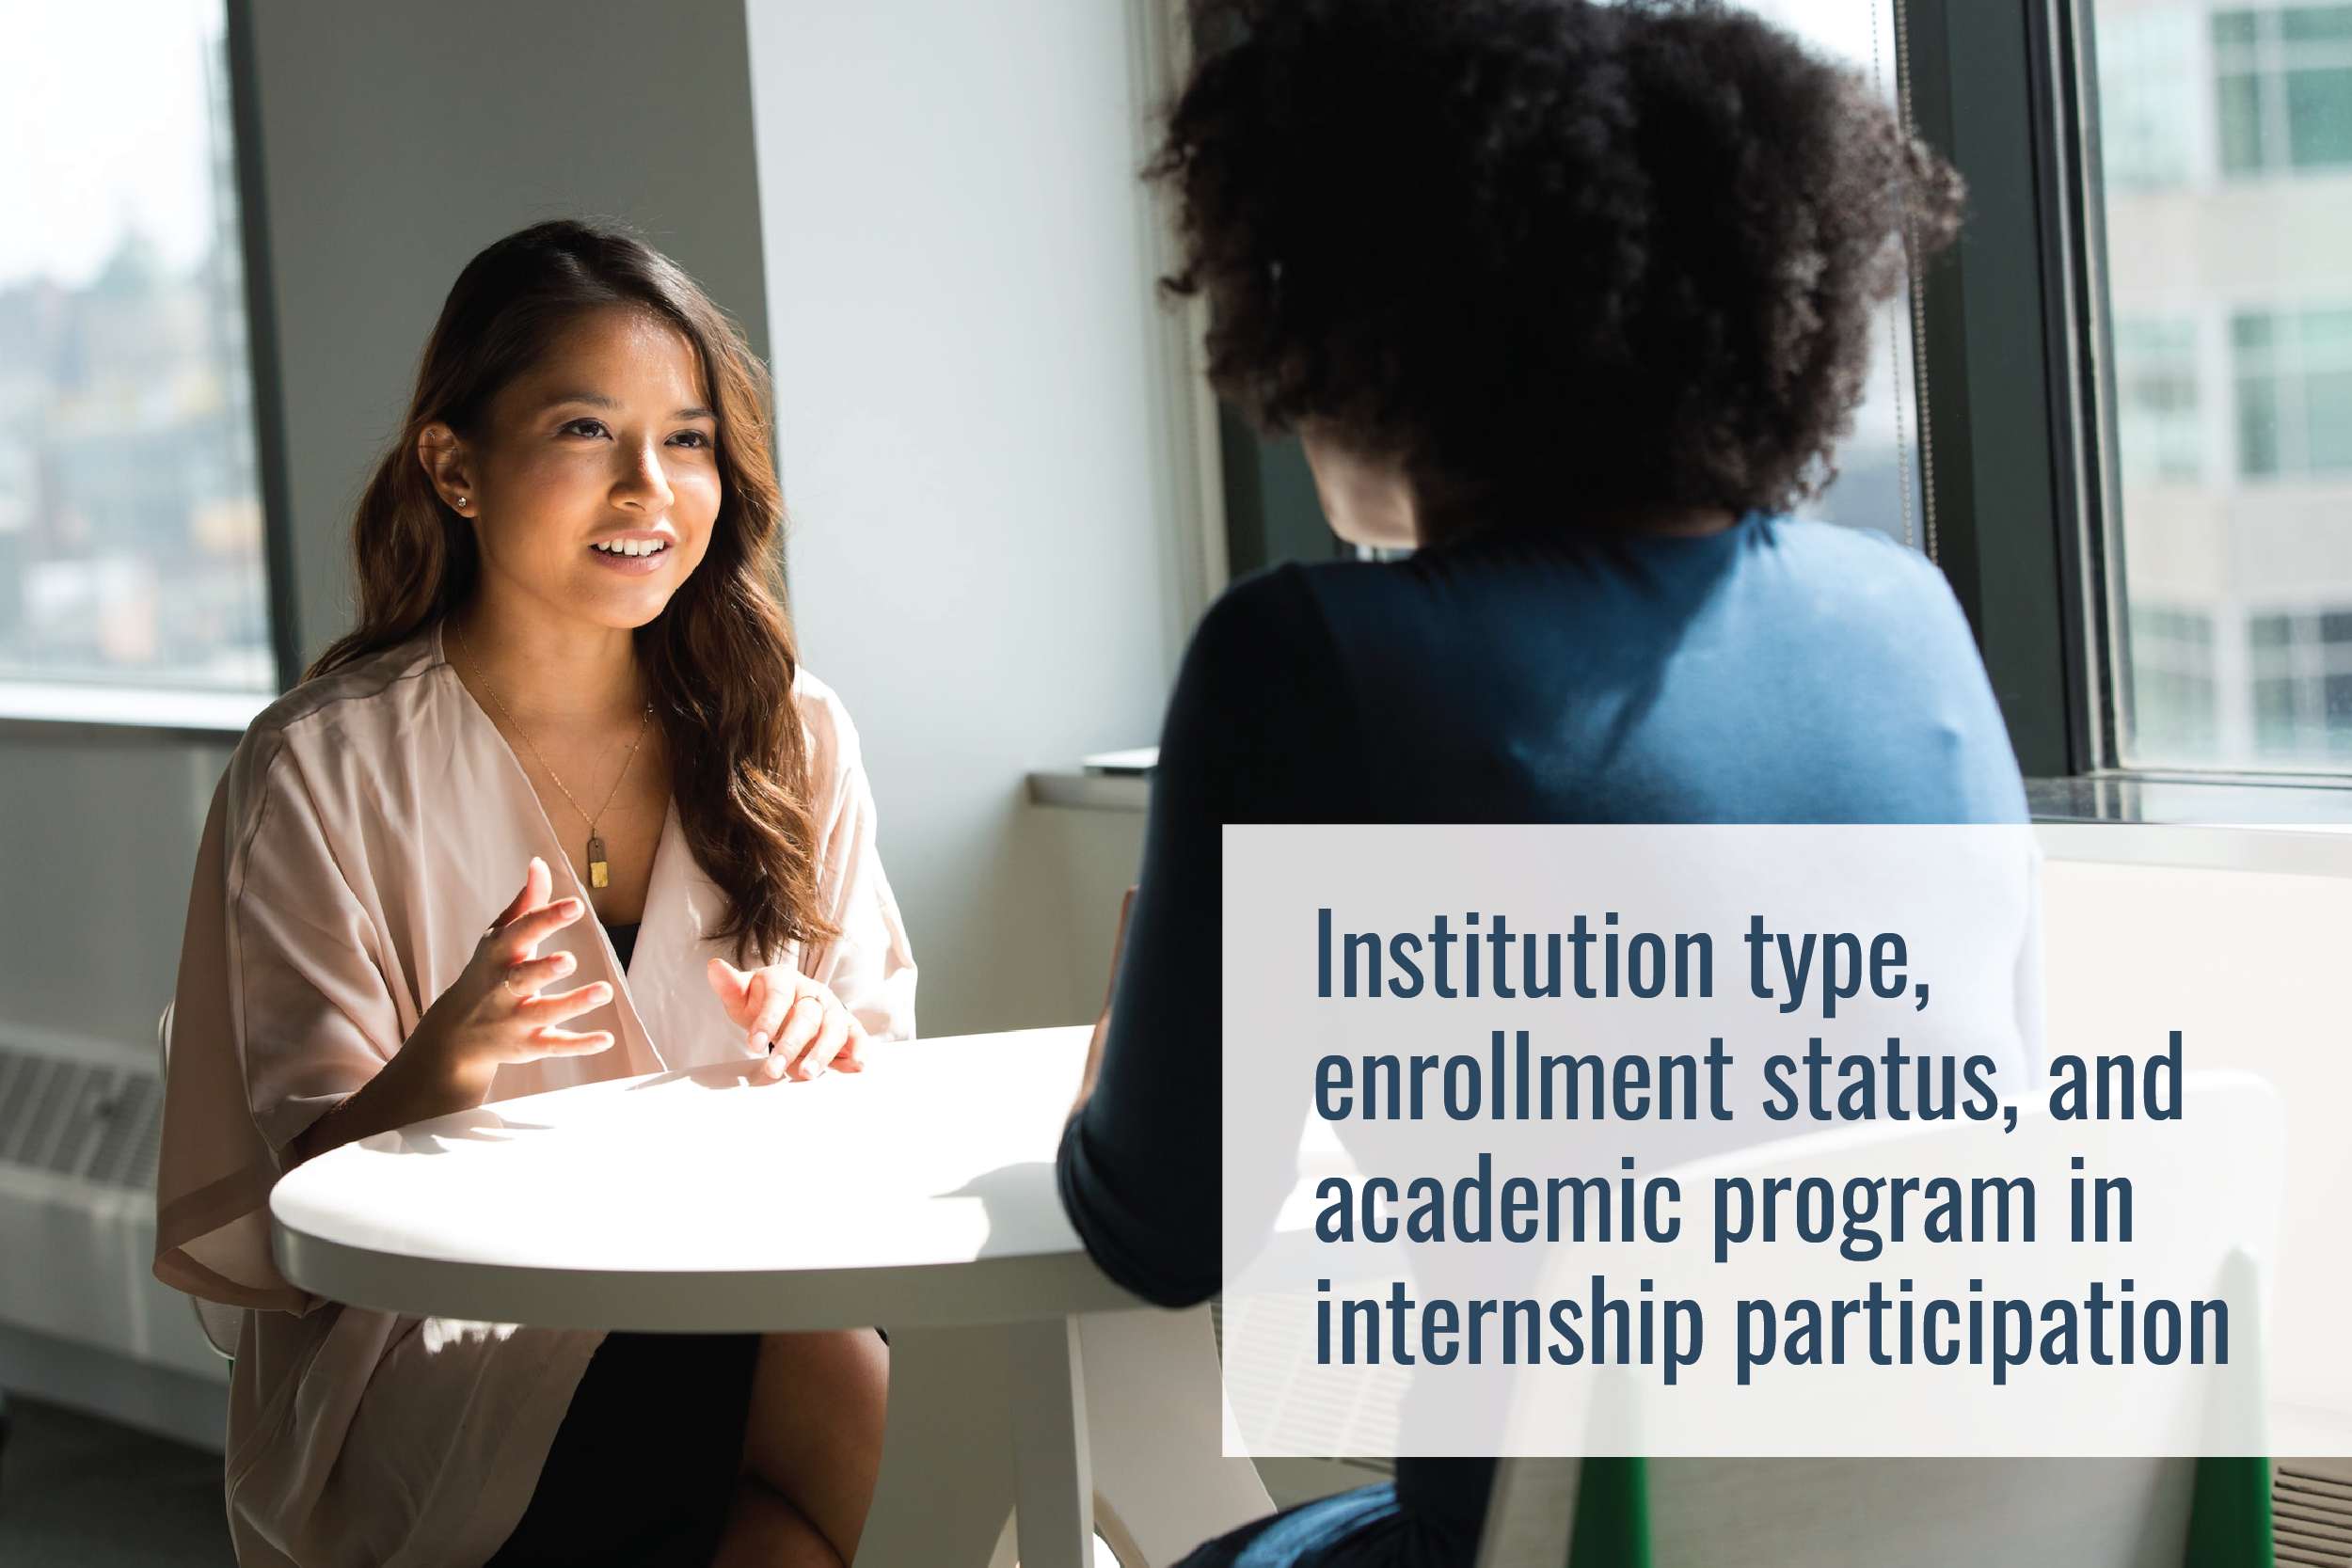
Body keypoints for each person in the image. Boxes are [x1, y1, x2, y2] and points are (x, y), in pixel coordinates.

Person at [1057, 2, 2020, 1563]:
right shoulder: (1911, 616)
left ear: (1369, 327)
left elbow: (1164, 1232)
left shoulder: (1307, 655)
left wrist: (1123, 1080)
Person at [154, 221, 915, 1568]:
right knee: (814, 1366)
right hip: (431, 1356)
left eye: (687, 439)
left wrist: (829, 1043)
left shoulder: (792, 732)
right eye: (585, 431)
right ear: (454, 467)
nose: (651, 488)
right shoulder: (322, 767)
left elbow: (884, 1083)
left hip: (751, 1292)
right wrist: (436, 1072)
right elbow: (297, 1217)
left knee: (824, 1357)